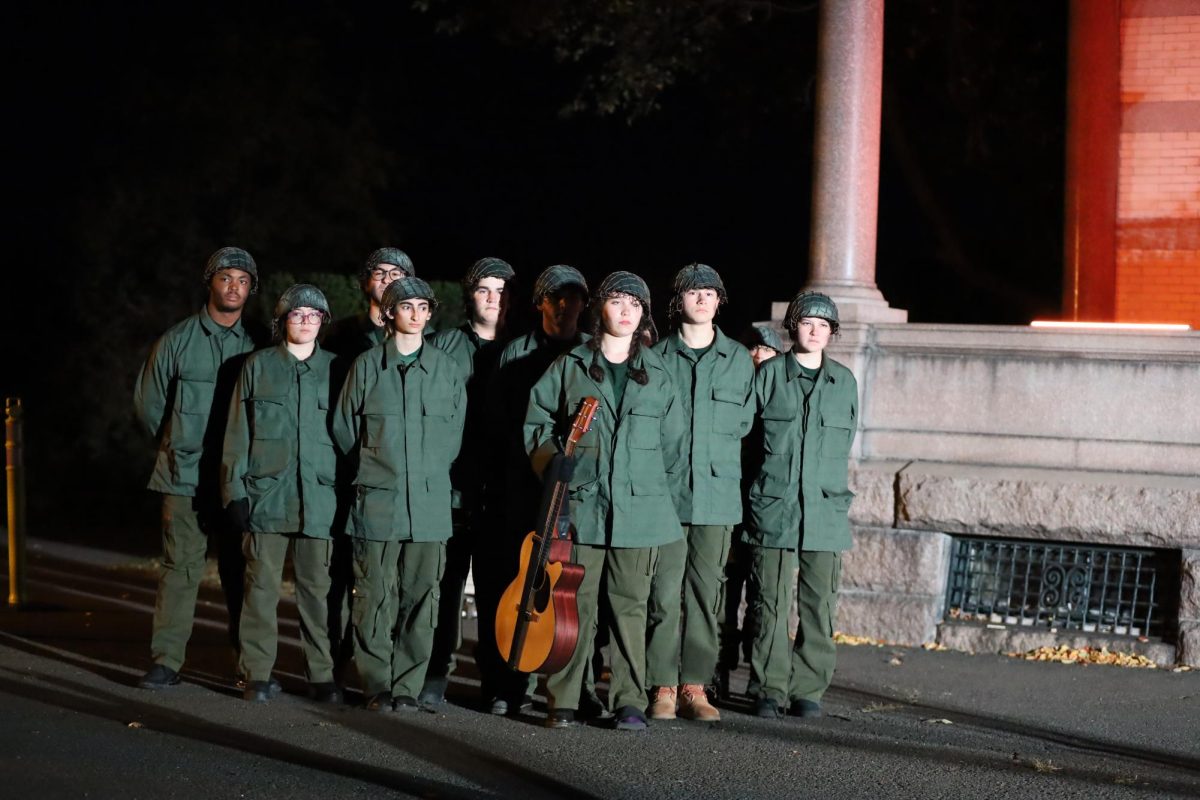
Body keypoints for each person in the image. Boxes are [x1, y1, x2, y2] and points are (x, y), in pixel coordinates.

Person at [525, 271, 686, 731]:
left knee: (630, 607)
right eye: (617, 302)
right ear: (601, 310)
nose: (626, 311)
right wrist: (555, 467)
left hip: (640, 511)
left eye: (635, 305)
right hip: (583, 507)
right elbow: (537, 422)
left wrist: (649, 489)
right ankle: (566, 698)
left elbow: (674, 447)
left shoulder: (660, 373)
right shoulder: (571, 365)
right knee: (573, 605)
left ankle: (629, 699)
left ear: (644, 315)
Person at [331, 276, 466, 712]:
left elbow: (454, 435)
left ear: (430, 313)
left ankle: (407, 686)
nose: (415, 314)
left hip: (429, 505)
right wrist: (376, 468)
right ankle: (376, 684)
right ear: (389, 313)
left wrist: (426, 473)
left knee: (422, 598)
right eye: (405, 306)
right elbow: (344, 428)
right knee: (374, 596)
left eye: (422, 307)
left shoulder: (446, 370)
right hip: (378, 500)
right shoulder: (367, 366)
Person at [133, 246, 264, 689]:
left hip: (237, 482)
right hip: (183, 477)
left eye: (243, 280)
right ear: (209, 282)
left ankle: (250, 669)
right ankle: (167, 661)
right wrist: (176, 445)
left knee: (241, 574)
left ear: (251, 289)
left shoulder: (259, 346)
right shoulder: (177, 340)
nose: (234, 287)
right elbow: (148, 405)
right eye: (225, 277)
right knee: (180, 570)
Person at [476, 264, 592, 716]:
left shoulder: (591, 353)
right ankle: (505, 682)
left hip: (575, 490)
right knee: (511, 584)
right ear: (539, 303)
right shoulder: (515, 353)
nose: (566, 307)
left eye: (574, 298)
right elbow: (497, 424)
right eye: (556, 298)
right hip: (519, 486)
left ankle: (575, 687)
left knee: (570, 591)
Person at [220, 284, 341, 703]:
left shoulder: (339, 370)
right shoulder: (257, 366)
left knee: (318, 594)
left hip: (321, 501)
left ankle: (322, 675)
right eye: (297, 314)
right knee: (260, 590)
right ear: (282, 321)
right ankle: (255, 673)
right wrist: (233, 491)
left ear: (323, 323)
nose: (305, 321)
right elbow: (237, 432)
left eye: (314, 315)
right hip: (266, 498)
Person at [645, 264, 754, 723]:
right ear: (678, 302)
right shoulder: (656, 358)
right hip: (665, 496)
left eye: (710, 292)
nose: (703, 299)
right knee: (662, 595)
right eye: (693, 292)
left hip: (715, 496)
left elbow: (745, 422)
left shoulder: (738, 360)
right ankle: (662, 687)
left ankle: (695, 686)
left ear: (719, 300)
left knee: (707, 597)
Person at [744, 291, 858, 719]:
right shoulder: (771, 374)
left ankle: (808, 689)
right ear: (794, 328)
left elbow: (844, 441)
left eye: (823, 325)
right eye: (807, 323)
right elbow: (750, 437)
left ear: (832, 333)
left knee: (819, 603)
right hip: (775, 504)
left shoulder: (844, 381)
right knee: (769, 602)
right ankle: (768, 688)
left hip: (825, 509)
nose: (814, 331)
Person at [420, 257, 516, 706]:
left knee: (500, 589)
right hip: (452, 487)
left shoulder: (523, 347)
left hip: (502, 491)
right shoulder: (441, 346)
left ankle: (497, 681)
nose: (494, 298)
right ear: (469, 295)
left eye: (501, 290)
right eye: (484, 289)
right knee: (445, 585)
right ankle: (436, 671)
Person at [321, 247, 416, 680]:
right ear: (366, 283)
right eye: (380, 273)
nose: (387, 280)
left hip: (394, 482)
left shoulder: (417, 341)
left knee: (392, 578)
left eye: (398, 274)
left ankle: (387, 667)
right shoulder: (338, 337)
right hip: (346, 471)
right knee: (341, 573)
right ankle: (337, 664)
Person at [716, 324, 784, 698]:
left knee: (764, 596)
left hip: (765, 511)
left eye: (767, 350)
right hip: (729, 507)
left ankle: (761, 682)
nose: (758, 355)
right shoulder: (731, 392)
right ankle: (717, 672)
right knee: (722, 593)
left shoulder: (781, 396)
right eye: (753, 349)